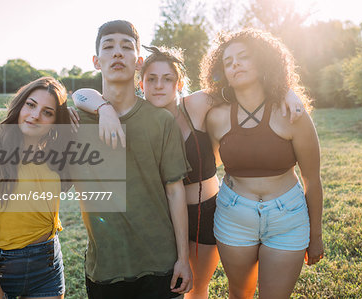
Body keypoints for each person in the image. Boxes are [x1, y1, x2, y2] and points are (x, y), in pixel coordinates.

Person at [70, 42, 305, 297]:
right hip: (162, 217)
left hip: (205, 212)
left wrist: (286, 92)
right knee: (173, 288)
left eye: (168, 79)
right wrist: (101, 107)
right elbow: (81, 95)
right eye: (151, 79)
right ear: (141, 84)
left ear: (179, 84)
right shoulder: (132, 115)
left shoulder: (196, 105)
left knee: (197, 286)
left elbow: (243, 88)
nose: (159, 85)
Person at [70, 20, 192, 299]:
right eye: (108, 46)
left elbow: (175, 192)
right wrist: (102, 108)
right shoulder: (75, 121)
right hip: (105, 267)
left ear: (138, 62)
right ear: (96, 61)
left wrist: (183, 258)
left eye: (126, 47)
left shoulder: (161, 120)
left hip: (160, 265)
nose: (117, 53)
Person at [202, 29, 324, 298]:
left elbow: (312, 179)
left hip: (287, 218)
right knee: (239, 294)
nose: (235, 64)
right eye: (228, 61)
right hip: (234, 216)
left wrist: (316, 236)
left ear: (263, 62)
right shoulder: (216, 117)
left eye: (244, 57)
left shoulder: (292, 113)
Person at [0, 77, 72, 299]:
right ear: (20, 105)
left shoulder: (55, 157)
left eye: (48, 112)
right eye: (31, 104)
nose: (35, 115)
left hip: (48, 266)